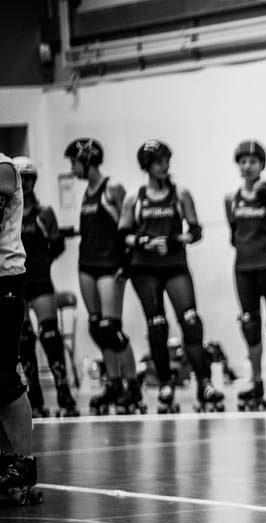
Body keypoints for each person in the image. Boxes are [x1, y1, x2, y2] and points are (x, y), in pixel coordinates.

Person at [118, 140, 225, 414]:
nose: (164, 166)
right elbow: (123, 235)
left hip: (175, 264)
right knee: (157, 325)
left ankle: (204, 382)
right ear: (147, 166)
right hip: (145, 268)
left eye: (166, 160)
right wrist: (144, 242)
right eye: (158, 162)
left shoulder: (181, 194)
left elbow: (197, 230)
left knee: (190, 321)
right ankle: (166, 383)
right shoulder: (134, 197)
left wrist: (177, 240)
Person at [64, 138, 146, 415]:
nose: (72, 169)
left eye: (73, 163)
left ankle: (132, 383)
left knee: (112, 328)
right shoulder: (87, 191)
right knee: (97, 327)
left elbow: (128, 224)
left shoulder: (111, 187)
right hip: (87, 264)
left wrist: (127, 263)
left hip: (110, 264)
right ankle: (113, 383)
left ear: (86, 160)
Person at [224, 139, 266, 410]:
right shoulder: (231, 198)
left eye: (252, 162)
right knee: (250, 324)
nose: (247, 166)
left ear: (262, 165)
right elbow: (234, 233)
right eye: (242, 162)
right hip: (243, 267)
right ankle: (257, 379)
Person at [13, 157, 78, 418]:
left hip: (39, 281)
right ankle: (35, 396)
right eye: (22, 178)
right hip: (16, 282)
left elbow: (58, 243)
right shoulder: (8, 214)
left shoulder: (44, 213)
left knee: (50, 334)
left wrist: (43, 263)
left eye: (30, 179)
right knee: (24, 339)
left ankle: (64, 392)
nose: (26, 184)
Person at [0, 152, 40, 502]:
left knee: (3, 375)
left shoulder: (3, 168)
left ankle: (23, 464)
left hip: (5, 280)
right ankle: (6, 462)